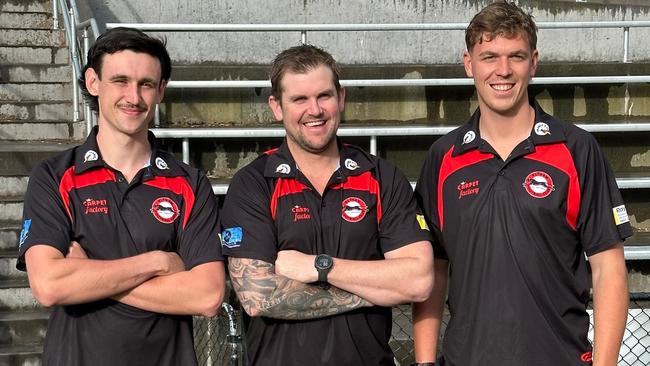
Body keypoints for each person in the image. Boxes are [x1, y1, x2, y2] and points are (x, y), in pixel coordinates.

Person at [412, 2, 631, 366]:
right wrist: (423, 362)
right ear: (469, 64)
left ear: (534, 62)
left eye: (516, 56)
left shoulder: (576, 150)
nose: (503, 70)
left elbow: (609, 268)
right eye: (489, 57)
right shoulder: (443, 157)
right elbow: (433, 270)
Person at [16, 27, 226, 366]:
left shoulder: (189, 183)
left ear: (161, 91)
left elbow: (207, 294)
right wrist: (156, 262)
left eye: (146, 84)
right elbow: (49, 285)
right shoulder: (55, 177)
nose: (133, 96)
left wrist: (87, 276)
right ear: (93, 82)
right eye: (120, 81)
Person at [220, 44, 434, 365]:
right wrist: (373, 291)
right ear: (277, 107)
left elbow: (418, 281)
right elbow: (257, 296)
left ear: (341, 98)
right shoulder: (253, 184)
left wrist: (320, 267)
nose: (315, 110)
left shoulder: (381, 177)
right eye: (299, 99)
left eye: (324, 96)